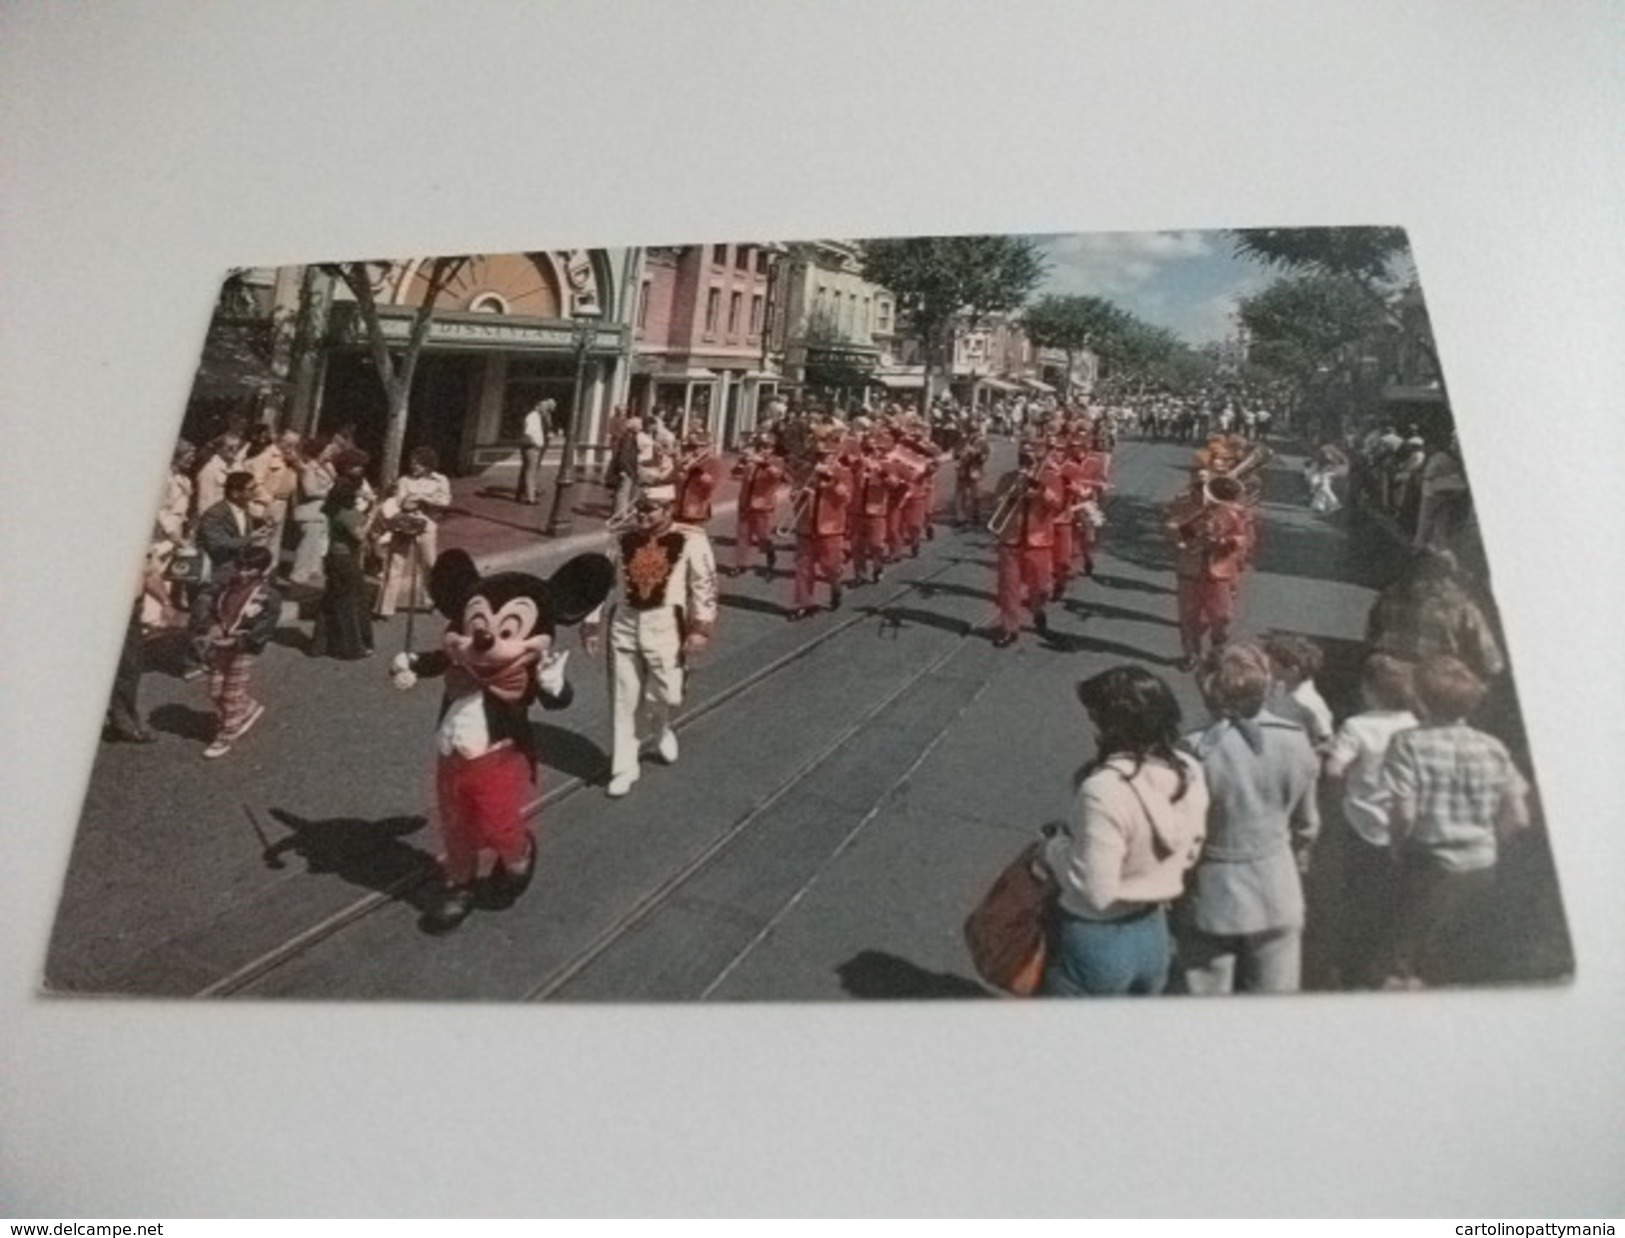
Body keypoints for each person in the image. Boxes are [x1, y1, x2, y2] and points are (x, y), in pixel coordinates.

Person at [1038, 666, 1209, 996]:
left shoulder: (1103, 789)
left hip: (1096, 941)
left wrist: (1052, 849)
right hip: (1154, 932)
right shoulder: (1189, 770)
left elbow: (1096, 890)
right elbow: (1190, 850)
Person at [1176, 643, 1321, 994]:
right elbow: (1308, 824)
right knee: (1273, 1006)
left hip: (1212, 892)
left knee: (1204, 1004)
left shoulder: (1193, 751)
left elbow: (1181, 833)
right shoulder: (1295, 741)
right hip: (1276, 885)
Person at [1380, 655, 1531, 987]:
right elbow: (1519, 817)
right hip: (1481, 868)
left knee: (1408, 964)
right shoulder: (1492, 747)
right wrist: (1489, 842)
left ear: (1419, 697)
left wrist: (1396, 847)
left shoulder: (1407, 743)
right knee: (1460, 967)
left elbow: (1404, 811)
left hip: (1428, 865)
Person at [582, 488, 718, 798]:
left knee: (667, 693)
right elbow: (602, 583)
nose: (642, 516)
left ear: (668, 509)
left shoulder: (692, 540)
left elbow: (704, 585)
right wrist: (591, 622)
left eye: (650, 510)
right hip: (625, 624)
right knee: (624, 697)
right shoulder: (621, 540)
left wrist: (700, 627)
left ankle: (660, 727)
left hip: (665, 625)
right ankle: (624, 767)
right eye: (639, 509)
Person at [1321, 653, 1418, 988]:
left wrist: (1339, 795)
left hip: (1361, 822)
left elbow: (1335, 768)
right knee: (1394, 898)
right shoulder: (1414, 725)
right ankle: (1388, 966)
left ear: (1370, 691)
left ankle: (1352, 968)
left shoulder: (1357, 726)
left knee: (1357, 896)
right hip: (1403, 825)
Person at [1367, 549, 1505, 681]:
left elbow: (1370, 635)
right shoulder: (1460, 605)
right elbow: (1492, 662)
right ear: (1448, 574)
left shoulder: (1388, 595)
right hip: (1433, 687)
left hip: (1387, 679)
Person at [1163, 472, 1251, 671]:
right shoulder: (1184, 507)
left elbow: (1243, 538)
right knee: (1188, 617)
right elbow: (1169, 527)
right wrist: (1189, 533)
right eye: (1198, 490)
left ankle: (1217, 645)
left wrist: (1223, 541)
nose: (1203, 497)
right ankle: (1191, 655)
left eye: (1205, 491)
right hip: (1190, 571)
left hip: (1218, 573)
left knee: (1223, 617)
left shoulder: (1232, 512)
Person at [199, 545, 281, 759]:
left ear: (261, 570)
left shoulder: (267, 595)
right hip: (220, 641)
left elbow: (265, 627)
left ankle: (226, 734)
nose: (243, 573)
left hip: (244, 648)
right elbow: (209, 607)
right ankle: (248, 708)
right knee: (215, 689)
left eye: (250, 569)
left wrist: (239, 641)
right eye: (240, 567)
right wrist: (211, 625)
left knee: (231, 693)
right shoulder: (227, 587)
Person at [987, 439, 1065, 648]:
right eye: (1022, 456)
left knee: (1039, 587)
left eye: (1030, 457)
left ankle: (1038, 610)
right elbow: (996, 504)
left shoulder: (1051, 478)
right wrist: (1013, 495)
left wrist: (1040, 491)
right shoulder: (1008, 478)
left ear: (1038, 458)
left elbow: (1058, 504)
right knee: (1008, 587)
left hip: (1038, 541)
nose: (1026, 461)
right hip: (1010, 540)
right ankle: (1009, 628)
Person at [375, 446, 451, 619]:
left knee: (429, 564)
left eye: (418, 463)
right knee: (395, 564)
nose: (414, 466)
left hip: (427, 525)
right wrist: (409, 502)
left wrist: (424, 499)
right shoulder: (404, 480)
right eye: (412, 463)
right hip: (405, 525)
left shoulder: (440, 480)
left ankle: (431, 600)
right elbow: (401, 502)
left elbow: (445, 501)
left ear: (428, 465)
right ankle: (385, 608)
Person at [786, 432, 853, 620]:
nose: (821, 459)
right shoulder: (805, 471)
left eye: (826, 455)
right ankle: (803, 603)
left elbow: (846, 497)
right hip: (806, 526)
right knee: (803, 566)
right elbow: (793, 495)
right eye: (818, 455)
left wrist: (830, 483)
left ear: (834, 456)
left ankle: (835, 583)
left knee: (829, 565)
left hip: (830, 528)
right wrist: (801, 493)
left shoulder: (843, 473)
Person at [309, 476, 375, 660]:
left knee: (330, 601)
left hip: (333, 558)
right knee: (352, 602)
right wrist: (373, 515)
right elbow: (360, 535)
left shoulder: (332, 508)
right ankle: (352, 648)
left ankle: (319, 645)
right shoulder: (346, 513)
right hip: (346, 560)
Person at [1263, 632, 1334, 752]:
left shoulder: (1309, 702)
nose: (1268, 666)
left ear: (1292, 670)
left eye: (1274, 663)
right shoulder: (1279, 690)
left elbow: (1326, 742)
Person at [728, 432, 786, 577]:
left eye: (766, 447)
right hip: (746, 502)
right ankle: (740, 564)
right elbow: (735, 474)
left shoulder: (776, 461)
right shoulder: (750, 462)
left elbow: (778, 475)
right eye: (760, 446)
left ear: (772, 449)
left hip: (763, 505)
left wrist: (763, 463)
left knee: (763, 537)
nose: (762, 450)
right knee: (742, 536)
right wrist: (742, 462)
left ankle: (770, 554)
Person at [289, 436, 339, 585]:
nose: (330, 453)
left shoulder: (325, 467)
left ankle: (308, 578)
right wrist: (331, 492)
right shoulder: (309, 467)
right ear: (319, 451)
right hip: (310, 512)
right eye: (327, 450)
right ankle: (297, 577)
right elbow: (310, 490)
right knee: (307, 548)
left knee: (316, 549)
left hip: (320, 513)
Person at [516, 397, 552, 504]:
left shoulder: (538, 417)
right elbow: (529, 433)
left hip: (532, 446)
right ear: (538, 407)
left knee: (526, 470)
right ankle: (530, 498)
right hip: (531, 447)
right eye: (544, 407)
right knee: (531, 471)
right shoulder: (532, 417)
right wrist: (536, 444)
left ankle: (520, 494)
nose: (546, 409)